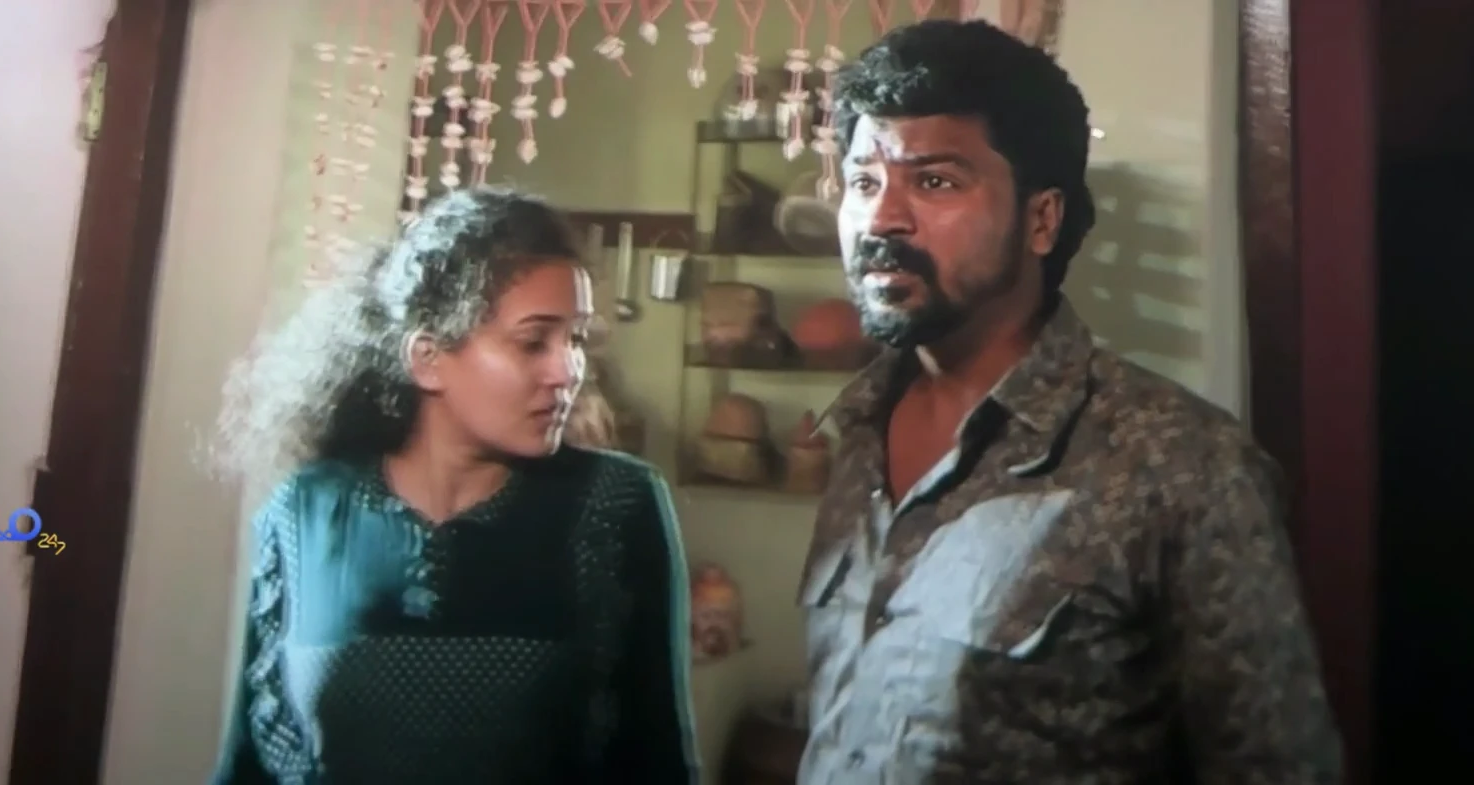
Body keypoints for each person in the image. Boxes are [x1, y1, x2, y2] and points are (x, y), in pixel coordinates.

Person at [796, 20, 1344, 784]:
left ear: (1042, 219)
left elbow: (1275, 765)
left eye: (935, 181)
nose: (883, 217)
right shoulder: (857, 435)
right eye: (863, 182)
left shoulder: (1181, 466)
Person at [208, 188, 700, 784]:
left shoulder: (616, 505)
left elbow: (659, 763)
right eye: (533, 342)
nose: (567, 370)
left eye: (574, 339)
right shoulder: (305, 511)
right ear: (428, 358)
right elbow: (246, 766)